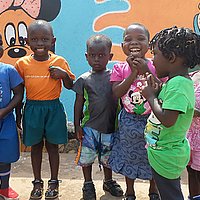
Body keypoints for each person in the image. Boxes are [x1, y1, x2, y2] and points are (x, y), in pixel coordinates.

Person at [15, 20, 75, 200]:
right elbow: (19, 92)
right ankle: (37, 182)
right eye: (34, 39)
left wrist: (63, 75)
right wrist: (18, 117)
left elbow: (71, 85)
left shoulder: (59, 61)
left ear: (53, 41)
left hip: (53, 108)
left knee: (52, 147)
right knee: (35, 147)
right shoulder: (22, 64)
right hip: (32, 108)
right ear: (27, 41)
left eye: (44, 39)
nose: (40, 43)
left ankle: (54, 182)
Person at [142, 26, 200, 200]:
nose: (152, 60)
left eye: (155, 54)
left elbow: (168, 120)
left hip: (166, 155)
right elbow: (174, 107)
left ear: (172, 58)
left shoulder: (178, 85)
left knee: (171, 195)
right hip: (164, 152)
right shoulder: (176, 82)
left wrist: (151, 97)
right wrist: (159, 92)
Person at [108, 23, 160, 200]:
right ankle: (130, 191)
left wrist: (145, 70)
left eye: (140, 38)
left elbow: (161, 88)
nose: (134, 43)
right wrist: (132, 73)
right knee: (129, 155)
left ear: (149, 44)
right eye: (128, 39)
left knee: (153, 155)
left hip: (153, 119)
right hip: (128, 121)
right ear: (122, 46)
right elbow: (116, 93)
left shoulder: (157, 66)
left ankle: (154, 190)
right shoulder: (119, 68)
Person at [73, 34, 123, 200]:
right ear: (87, 56)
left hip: (110, 127)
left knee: (107, 157)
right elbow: (78, 104)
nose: (97, 59)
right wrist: (77, 126)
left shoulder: (115, 78)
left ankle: (108, 181)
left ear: (110, 56)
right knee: (86, 158)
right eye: (92, 55)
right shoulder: (83, 79)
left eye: (101, 55)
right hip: (89, 128)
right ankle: (88, 184)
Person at [0, 33, 23, 199]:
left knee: (5, 156)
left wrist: (5, 111)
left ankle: (5, 187)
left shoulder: (8, 70)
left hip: (5, 121)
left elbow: (18, 94)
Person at [187, 70, 200, 200]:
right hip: (188, 135)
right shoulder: (191, 76)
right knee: (191, 170)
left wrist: (187, 109)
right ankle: (193, 197)